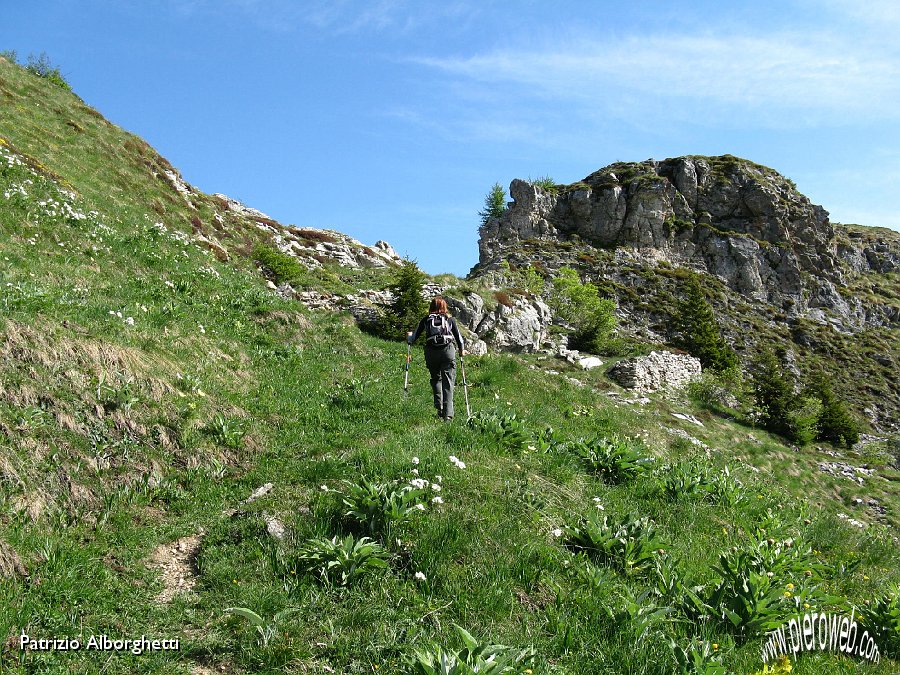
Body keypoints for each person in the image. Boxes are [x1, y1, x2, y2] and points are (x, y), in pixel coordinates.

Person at [408, 296, 465, 421]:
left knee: (436, 379)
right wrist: (461, 350)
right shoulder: (450, 320)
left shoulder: (426, 320)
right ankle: (448, 415)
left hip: (431, 353)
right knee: (448, 382)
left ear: (431, 307)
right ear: (444, 307)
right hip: (447, 352)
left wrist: (409, 337)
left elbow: (413, 338)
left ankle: (439, 408)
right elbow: (459, 339)